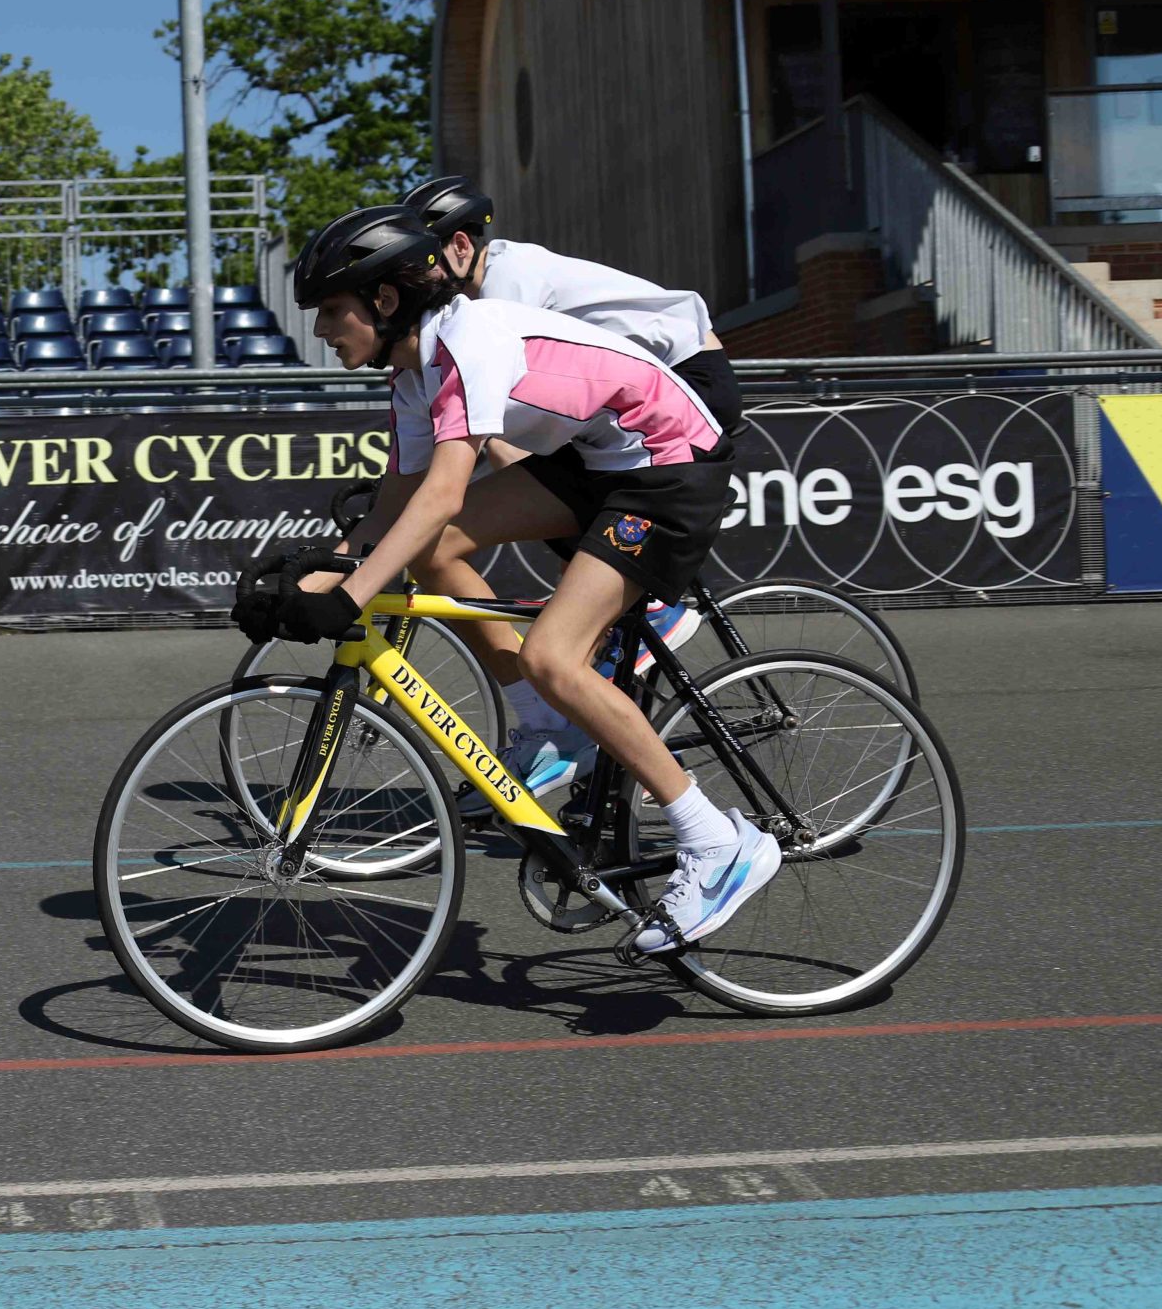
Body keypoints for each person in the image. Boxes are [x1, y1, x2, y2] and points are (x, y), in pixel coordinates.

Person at [242, 208, 777, 956]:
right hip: (597, 458)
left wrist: (352, 593)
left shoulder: (466, 341)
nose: (322, 328)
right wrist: (317, 570)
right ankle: (556, 725)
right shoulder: (410, 372)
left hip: (666, 460)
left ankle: (717, 842)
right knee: (435, 555)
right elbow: (399, 503)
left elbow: (444, 493)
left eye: (333, 310)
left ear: (385, 301)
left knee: (552, 655)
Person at [390, 177, 744, 798]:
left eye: (426, 260)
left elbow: (500, 433)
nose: (419, 276)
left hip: (686, 382)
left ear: (464, 247)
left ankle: (645, 611)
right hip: (620, 414)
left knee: (533, 486)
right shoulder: (461, 311)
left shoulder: (508, 281)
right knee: (502, 503)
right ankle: (561, 714)